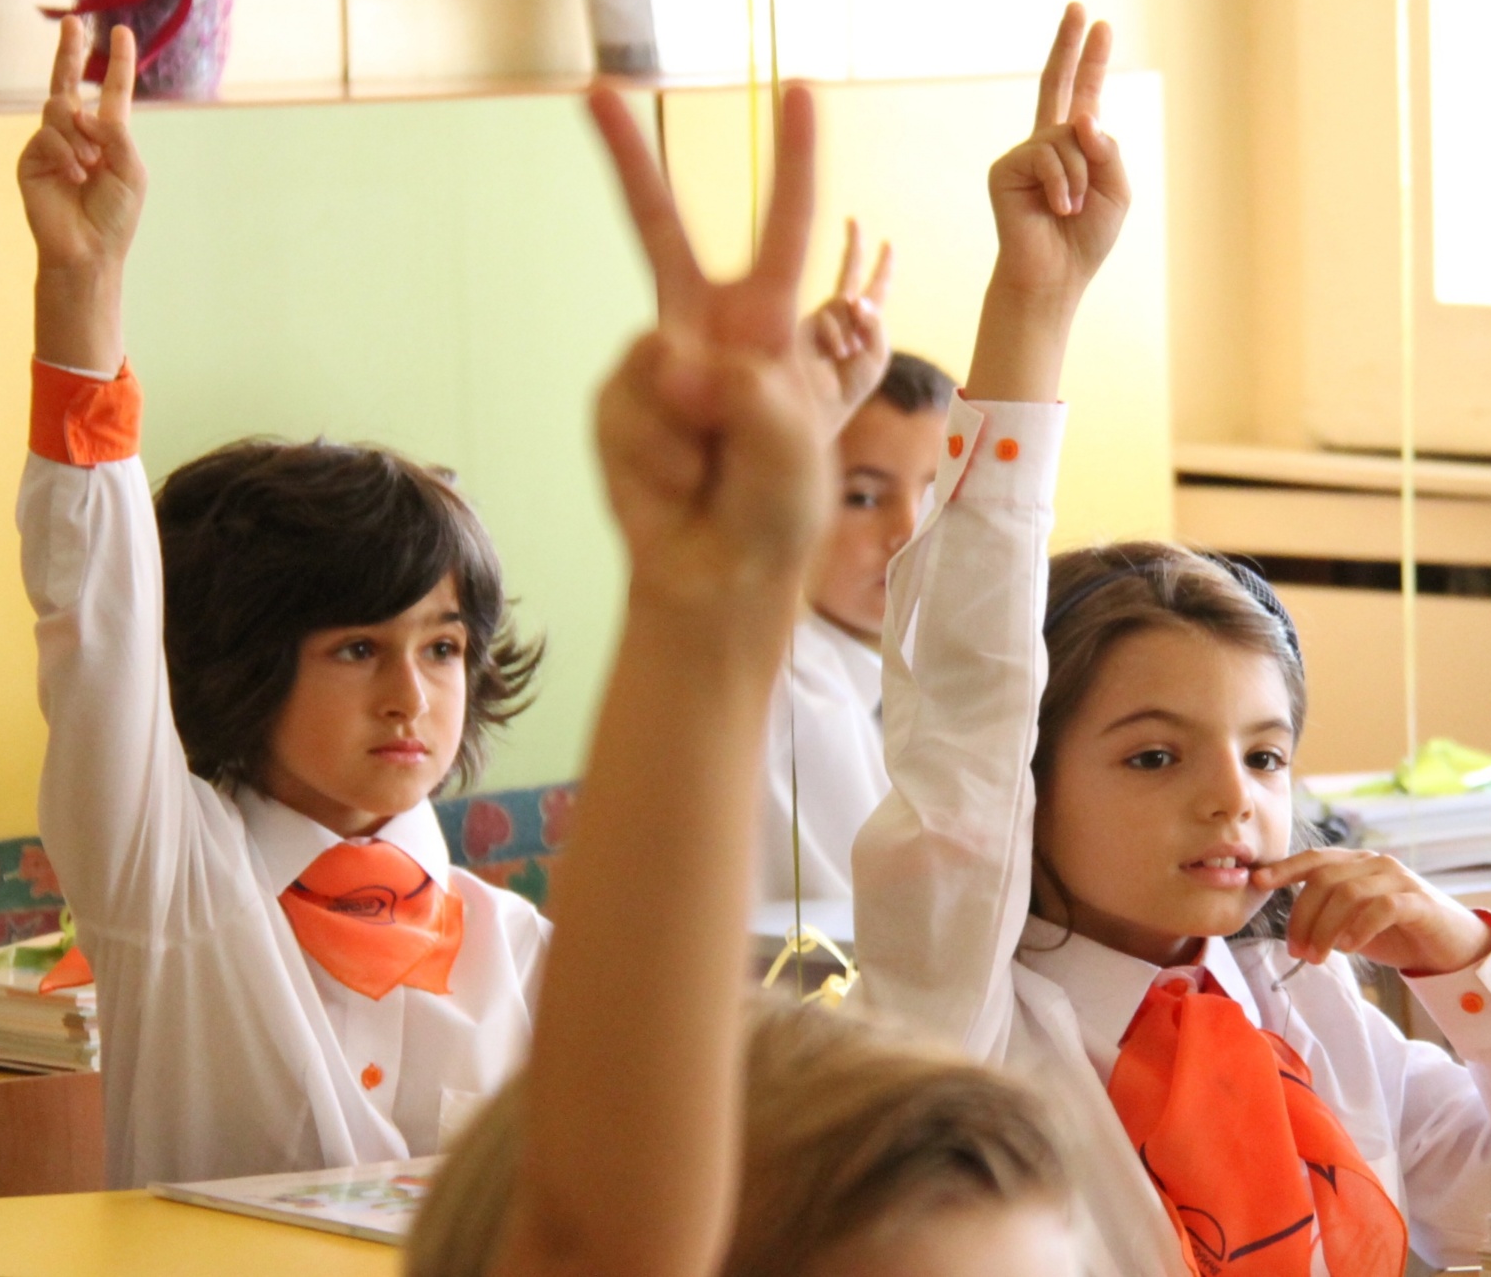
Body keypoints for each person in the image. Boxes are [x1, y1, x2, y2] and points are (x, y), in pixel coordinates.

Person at [853, 3, 1491, 1277]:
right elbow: (967, 700)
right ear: (1026, 786)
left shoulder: (1302, 1001)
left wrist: (1463, 958)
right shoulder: (966, 1022)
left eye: (1267, 756)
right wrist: (1035, 307)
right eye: (1153, 757)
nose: (1233, 798)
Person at [408, 69, 1079, 1277]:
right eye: (861, 493)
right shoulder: (782, 670)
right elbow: (961, 804)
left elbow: (974, 736)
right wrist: (705, 600)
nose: (899, 530)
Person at [17, 17, 547, 1186]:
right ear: (245, 661)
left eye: (443, 648)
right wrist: (83, 285)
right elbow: (95, 617)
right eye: (357, 648)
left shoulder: (524, 957)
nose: (412, 696)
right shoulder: (168, 880)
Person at [758, 228, 957, 899]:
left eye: (936, 498)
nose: (906, 532)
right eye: (863, 497)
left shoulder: (978, 680)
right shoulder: (785, 693)